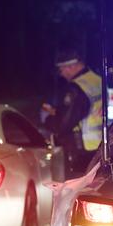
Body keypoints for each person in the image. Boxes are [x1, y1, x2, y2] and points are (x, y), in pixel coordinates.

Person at [42, 48, 102, 178]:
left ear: (72, 66)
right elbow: (85, 109)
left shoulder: (76, 88)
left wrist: (48, 119)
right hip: (100, 145)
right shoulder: (97, 79)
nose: (61, 74)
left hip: (82, 149)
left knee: (77, 185)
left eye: (62, 69)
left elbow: (64, 123)